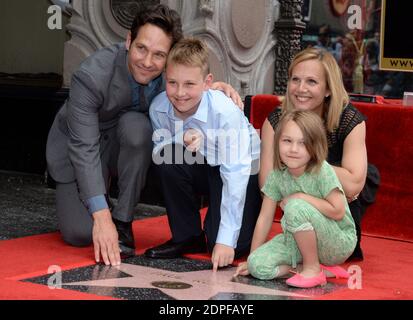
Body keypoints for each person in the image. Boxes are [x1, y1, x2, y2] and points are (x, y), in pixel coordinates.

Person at [46, 5, 242, 267]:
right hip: (78, 148)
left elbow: (190, 81)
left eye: (159, 54)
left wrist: (213, 91)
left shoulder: (169, 77)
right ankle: (101, 204)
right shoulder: (91, 76)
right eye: (141, 48)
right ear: (129, 41)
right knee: (80, 234)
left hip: (126, 144)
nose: (148, 62)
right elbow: (83, 147)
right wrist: (101, 218)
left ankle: (124, 219)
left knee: (138, 128)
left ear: (169, 58)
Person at [144, 38, 262, 271]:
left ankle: (229, 222)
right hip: (202, 165)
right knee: (168, 156)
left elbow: (235, 173)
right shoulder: (159, 107)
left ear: (208, 82)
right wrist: (181, 137)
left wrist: (226, 241)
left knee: (232, 246)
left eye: (189, 84)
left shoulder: (225, 112)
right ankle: (187, 236)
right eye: (172, 82)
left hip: (244, 170)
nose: (179, 93)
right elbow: (159, 150)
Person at [259, 47, 370, 261]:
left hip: (336, 221)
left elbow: (355, 183)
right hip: (294, 219)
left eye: (312, 81)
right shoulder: (276, 120)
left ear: (328, 89)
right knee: (260, 262)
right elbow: (267, 184)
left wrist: (300, 168)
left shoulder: (348, 119)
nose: (301, 89)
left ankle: (313, 266)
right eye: (295, 79)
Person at [234, 110, 357, 288]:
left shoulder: (322, 170)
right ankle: (313, 268)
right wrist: (252, 257)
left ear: (315, 145)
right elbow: (265, 217)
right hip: (296, 241)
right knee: (257, 266)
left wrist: (301, 197)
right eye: (287, 141)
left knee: (295, 206)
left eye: (303, 143)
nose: (293, 149)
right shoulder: (277, 175)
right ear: (277, 143)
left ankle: (313, 268)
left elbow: (338, 211)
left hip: (336, 240)